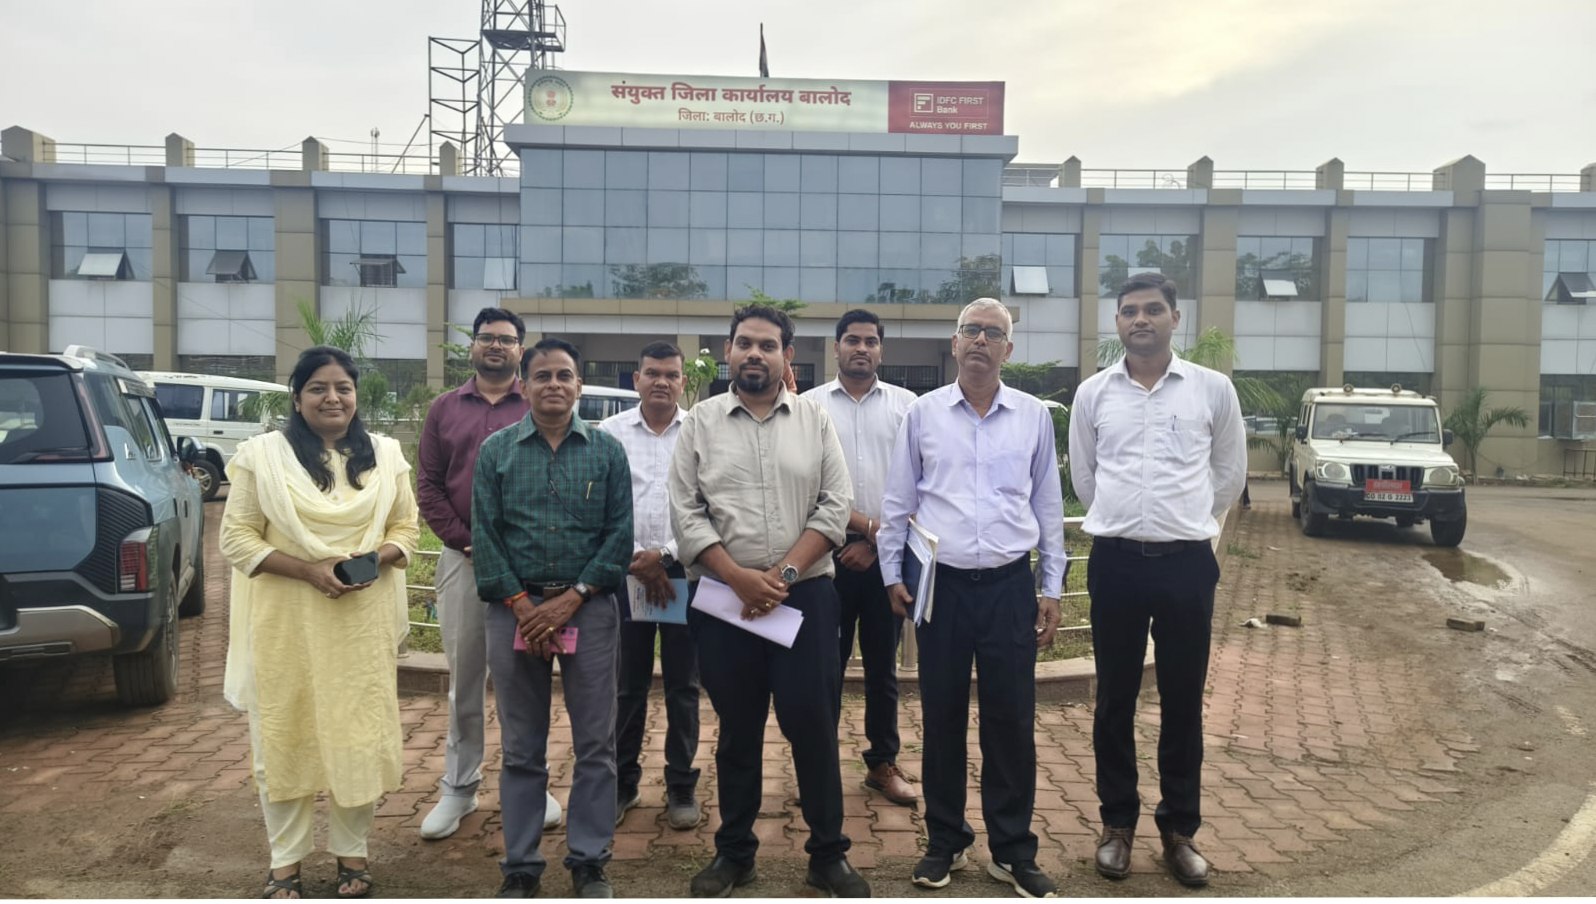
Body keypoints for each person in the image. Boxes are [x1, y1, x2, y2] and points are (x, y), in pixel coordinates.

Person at [668, 305, 870, 898]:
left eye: (767, 345)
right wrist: (737, 578)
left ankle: (828, 855)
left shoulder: (815, 420)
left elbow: (835, 505)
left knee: (813, 727)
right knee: (737, 730)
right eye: (744, 343)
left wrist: (780, 576)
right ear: (728, 351)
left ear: (787, 356)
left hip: (805, 599)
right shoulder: (700, 424)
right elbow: (686, 513)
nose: (754, 353)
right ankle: (734, 854)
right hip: (725, 603)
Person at [877, 298, 1066, 899]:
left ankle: (1012, 849)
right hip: (943, 588)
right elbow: (898, 501)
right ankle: (946, 841)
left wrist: (1051, 585)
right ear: (955, 343)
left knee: (1011, 720)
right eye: (971, 330)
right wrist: (891, 573)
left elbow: (1048, 506)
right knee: (942, 717)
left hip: (1010, 587)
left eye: (993, 333)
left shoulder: (1033, 416)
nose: (981, 340)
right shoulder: (924, 414)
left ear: (1009, 348)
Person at [220, 346, 419, 899]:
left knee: (358, 736)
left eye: (343, 388)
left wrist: (372, 559)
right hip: (287, 623)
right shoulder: (263, 456)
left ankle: (352, 854)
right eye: (318, 388)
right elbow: (236, 538)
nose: (333, 398)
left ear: (356, 396)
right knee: (285, 736)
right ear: (297, 397)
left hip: (360, 622)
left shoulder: (385, 455)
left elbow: (406, 528)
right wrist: (309, 570)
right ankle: (285, 862)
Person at [1068, 272, 1247, 889]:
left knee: (1182, 699)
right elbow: (1086, 477)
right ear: (1117, 322)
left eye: (1151, 309)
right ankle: (1117, 825)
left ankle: (1179, 831)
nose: (1139, 319)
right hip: (1115, 562)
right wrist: (1126, 521)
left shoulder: (1212, 390)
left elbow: (1228, 474)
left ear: (1176, 317)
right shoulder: (1093, 393)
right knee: (1114, 698)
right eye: (1128, 311)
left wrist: (1187, 525)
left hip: (1185, 565)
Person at [472, 338, 634, 899]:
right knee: (521, 746)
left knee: (596, 744)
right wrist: (523, 606)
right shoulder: (497, 451)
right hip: (513, 613)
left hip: (588, 611)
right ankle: (521, 866)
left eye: (565, 375)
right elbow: (485, 536)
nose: (554, 385)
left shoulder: (607, 452)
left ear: (579, 385)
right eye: (542, 376)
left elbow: (619, 535)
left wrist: (573, 598)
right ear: (523, 385)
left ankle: (589, 861)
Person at [416, 308, 563, 840]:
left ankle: (530, 783)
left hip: (528, 570)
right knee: (466, 679)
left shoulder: (539, 403)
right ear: (473, 347)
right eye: (486, 338)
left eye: (506, 339)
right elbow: (429, 486)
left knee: (524, 682)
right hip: (465, 562)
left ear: (521, 348)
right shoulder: (444, 409)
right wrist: (469, 541)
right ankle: (460, 786)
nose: (495, 346)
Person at [801, 309, 919, 808]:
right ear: (836, 348)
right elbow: (804, 485)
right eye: (852, 340)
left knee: (882, 669)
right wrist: (854, 533)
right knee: (821, 668)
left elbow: (920, 483)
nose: (861, 348)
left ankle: (881, 763)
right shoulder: (807, 407)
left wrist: (874, 542)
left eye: (871, 341)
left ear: (881, 350)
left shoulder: (908, 407)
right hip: (822, 559)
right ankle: (819, 767)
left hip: (885, 562)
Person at [595, 341, 703, 831]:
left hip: (685, 574)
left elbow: (709, 503)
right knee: (627, 685)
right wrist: (641, 558)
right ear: (635, 379)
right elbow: (600, 506)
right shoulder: (610, 434)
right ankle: (623, 783)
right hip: (628, 574)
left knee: (684, 685)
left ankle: (681, 784)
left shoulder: (700, 432)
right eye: (652, 373)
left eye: (671, 374)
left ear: (683, 382)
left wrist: (667, 556)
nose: (662, 382)